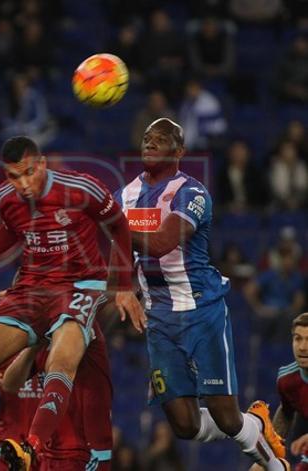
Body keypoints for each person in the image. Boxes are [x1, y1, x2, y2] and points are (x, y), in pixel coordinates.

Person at [0, 136, 144, 471]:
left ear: (42, 164)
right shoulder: (7, 198)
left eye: (28, 173)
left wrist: (122, 286)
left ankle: (31, 446)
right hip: (30, 287)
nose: (22, 184)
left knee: (60, 362)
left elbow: (119, 226)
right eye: (13, 176)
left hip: (79, 285)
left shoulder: (81, 188)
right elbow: (9, 232)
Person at [115, 117, 289, 470]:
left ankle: (274, 461)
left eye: (161, 139)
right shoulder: (127, 194)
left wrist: (113, 224)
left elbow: (162, 243)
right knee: (184, 425)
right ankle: (254, 427)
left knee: (226, 417)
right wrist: (121, 287)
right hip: (159, 319)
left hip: (201, 312)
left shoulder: (192, 193)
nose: (150, 143)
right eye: (148, 138)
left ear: (179, 151)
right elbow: (115, 250)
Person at [0, 328, 113, 471]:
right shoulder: (48, 337)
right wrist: (33, 347)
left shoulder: (82, 328)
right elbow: (10, 385)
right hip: (50, 453)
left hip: (84, 453)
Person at [250, 313, 308, 471]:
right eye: (298, 338)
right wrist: (269, 453)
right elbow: (286, 411)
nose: (302, 347)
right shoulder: (287, 380)